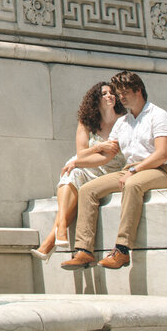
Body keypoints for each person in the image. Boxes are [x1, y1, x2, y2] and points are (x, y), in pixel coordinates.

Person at [61, 70, 167, 270]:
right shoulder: (123, 122)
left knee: (132, 185)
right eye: (119, 92)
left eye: (125, 92)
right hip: (131, 170)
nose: (120, 97)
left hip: (161, 170)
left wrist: (135, 171)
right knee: (88, 189)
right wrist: (79, 162)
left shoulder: (158, 115)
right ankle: (84, 251)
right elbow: (106, 156)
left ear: (138, 91)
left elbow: (162, 154)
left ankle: (122, 250)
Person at [31, 82, 125, 260]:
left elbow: (106, 157)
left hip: (113, 170)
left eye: (112, 93)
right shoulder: (87, 122)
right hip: (92, 167)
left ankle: (51, 240)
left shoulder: (123, 122)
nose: (110, 96)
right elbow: (81, 153)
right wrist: (100, 146)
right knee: (71, 172)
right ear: (96, 99)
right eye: (104, 93)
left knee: (74, 170)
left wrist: (82, 158)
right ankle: (60, 229)